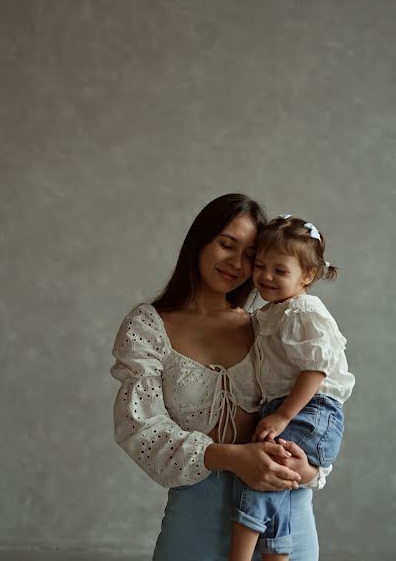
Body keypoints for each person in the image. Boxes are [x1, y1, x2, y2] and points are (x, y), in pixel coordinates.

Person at [110, 194, 327, 561]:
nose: (237, 264)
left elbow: (321, 402)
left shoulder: (269, 327)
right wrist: (232, 457)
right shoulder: (148, 326)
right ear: (200, 240)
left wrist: (309, 470)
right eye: (227, 244)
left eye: (251, 255)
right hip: (196, 518)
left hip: (284, 516)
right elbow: (139, 428)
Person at [230, 215, 355, 561]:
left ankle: (239, 556)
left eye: (280, 271)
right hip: (294, 408)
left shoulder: (304, 310)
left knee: (259, 468)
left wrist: (285, 415)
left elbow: (316, 369)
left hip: (313, 410)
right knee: (276, 483)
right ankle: (278, 553)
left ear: (308, 276)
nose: (265, 277)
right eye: (260, 266)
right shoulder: (274, 311)